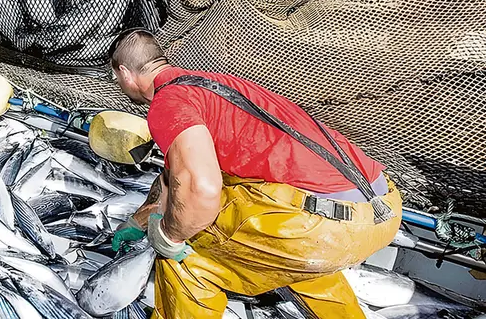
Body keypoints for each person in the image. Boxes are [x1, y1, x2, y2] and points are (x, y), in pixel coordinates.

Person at [103, 29, 401, 319]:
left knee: (188, 258)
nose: (118, 84)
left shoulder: (168, 104)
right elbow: (172, 182)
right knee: (273, 253)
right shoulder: (211, 85)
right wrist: (136, 221)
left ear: (126, 73)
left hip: (318, 227)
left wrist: (169, 237)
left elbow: (201, 190)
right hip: (378, 213)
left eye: (115, 79)